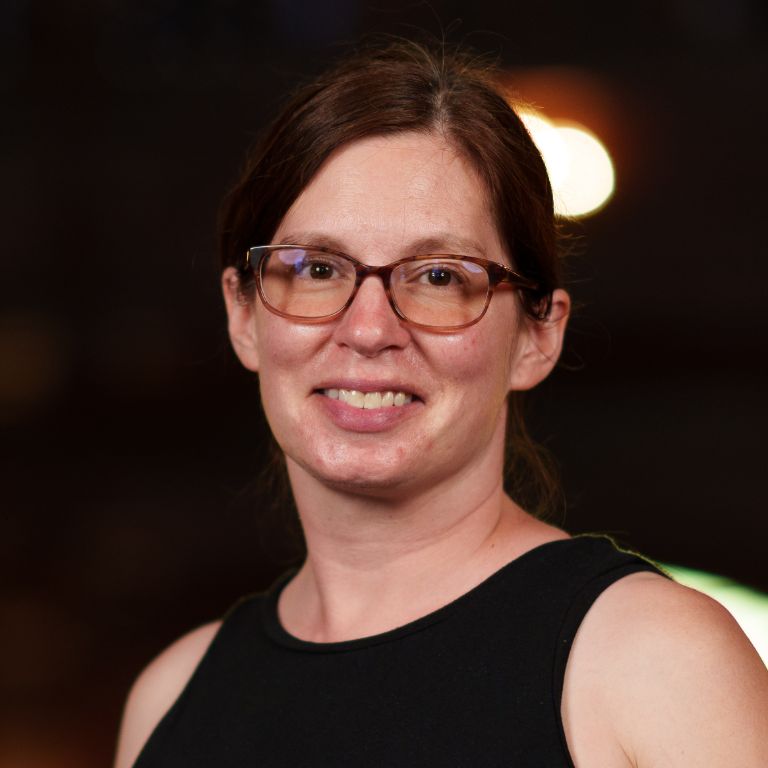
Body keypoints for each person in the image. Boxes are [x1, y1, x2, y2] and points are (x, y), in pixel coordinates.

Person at [114, 39, 768, 767]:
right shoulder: (169, 699)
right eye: (318, 268)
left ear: (537, 336)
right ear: (243, 315)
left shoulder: (650, 662)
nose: (368, 329)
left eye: (436, 277)